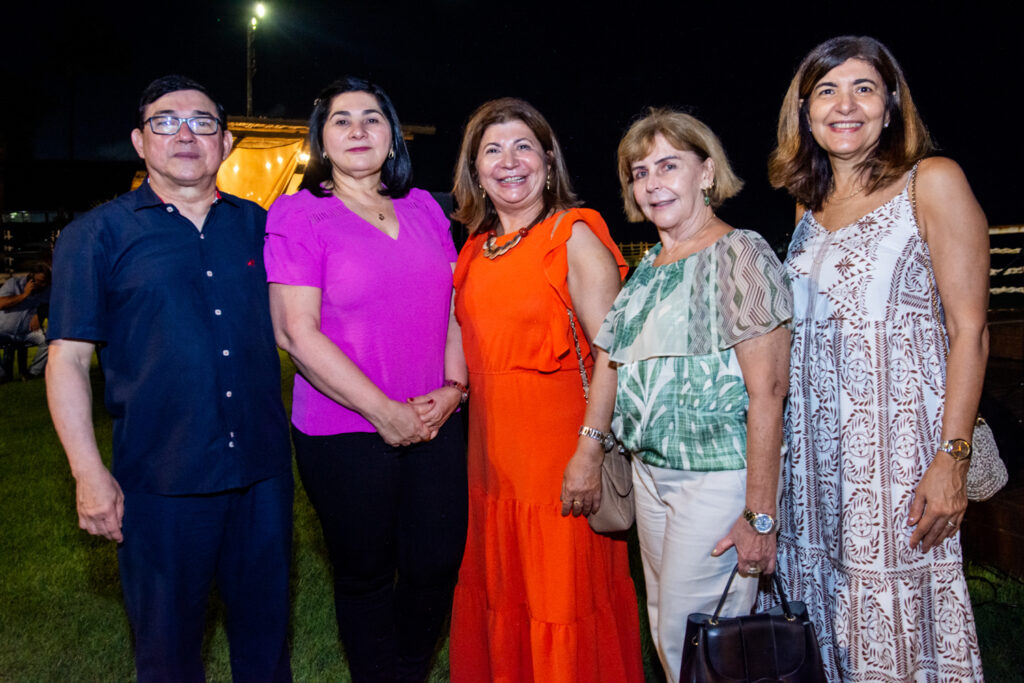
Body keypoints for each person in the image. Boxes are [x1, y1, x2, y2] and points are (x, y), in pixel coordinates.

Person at [46, 75, 293, 681]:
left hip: (261, 474)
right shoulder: (95, 236)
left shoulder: (260, 227)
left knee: (266, 648)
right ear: (140, 141)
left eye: (202, 123)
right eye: (165, 122)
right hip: (161, 482)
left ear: (226, 142)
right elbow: (68, 360)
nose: (185, 134)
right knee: (167, 656)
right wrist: (88, 475)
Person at [770, 36, 987, 681]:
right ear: (805, 112)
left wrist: (952, 457)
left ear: (890, 107)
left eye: (863, 89)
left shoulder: (932, 181)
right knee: (824, 612)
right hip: (813, 461)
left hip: (896, 458)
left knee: (892, 610)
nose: (845, 105)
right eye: (826, 91)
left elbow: (970, 330)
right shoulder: (807, 205)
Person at [264, 76, 468, 683]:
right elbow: (295, 332)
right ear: (321, 140)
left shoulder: (425, 208)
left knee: (436, 564)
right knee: (366, 575)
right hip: (344, 431)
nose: (358, 130)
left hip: (436, 421)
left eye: (372, 118)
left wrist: (454, 389)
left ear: (393, 136)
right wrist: (383, 411)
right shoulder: (300, 213)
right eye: (342, 120)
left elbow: (455, 310)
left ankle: (406, 670)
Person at [582, 108, 791, 682]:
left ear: (706, 173)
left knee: (695, 640)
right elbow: (613, 357)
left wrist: (759, 516)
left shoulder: (740, 253)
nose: (653, 183)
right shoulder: (650, 265)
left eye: (668, 166)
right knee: (671, 631)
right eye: (640, 172)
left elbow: (769, 392)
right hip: (651, 477)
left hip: (715, 481)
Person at [448, 97, 644, 683]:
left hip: (559, 464)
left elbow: (613, 354)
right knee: (505, 598)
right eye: (492, 150)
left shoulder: (573, 234)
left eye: (523, 147)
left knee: (561, 603)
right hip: (491, 466)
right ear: (475, 171)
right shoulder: (473, 250)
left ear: (549, 160)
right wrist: (449, 390)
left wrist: (589, 450)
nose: (509, 162)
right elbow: (464, 336)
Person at [0, 262, 51, 380]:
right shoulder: (13, 283)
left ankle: (32, 373)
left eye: (46, 282)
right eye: (40, 281)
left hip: (27, 332)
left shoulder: (47, 289)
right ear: (31, 278)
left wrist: (39, 314)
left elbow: (51, 305)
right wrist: (24, 295)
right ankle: (1, 375)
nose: (44, 285)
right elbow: (1, 304)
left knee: (50, 340)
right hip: (4, 331)